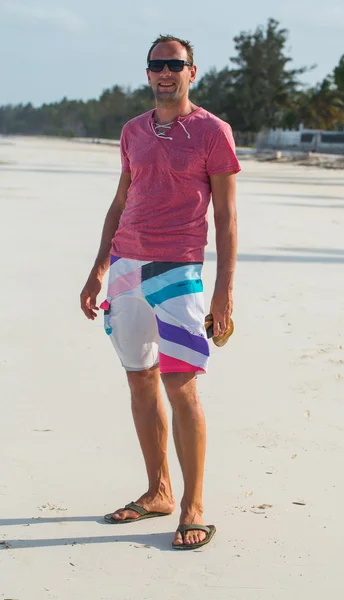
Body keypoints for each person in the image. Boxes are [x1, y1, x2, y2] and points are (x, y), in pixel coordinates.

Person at [80, 34, 240, 550]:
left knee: (181, 386)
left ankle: (192, 507)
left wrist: (223, 294)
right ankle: (158, 491)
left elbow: (227, 216)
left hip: (179, 271)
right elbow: (119, 201)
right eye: (157, 65)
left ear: (193, 71)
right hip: (126, 268)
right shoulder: (132, 131)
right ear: (148, 73)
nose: (165, 73)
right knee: (140, 382)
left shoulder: (213, 131)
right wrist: (98, 268)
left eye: (175, 64)